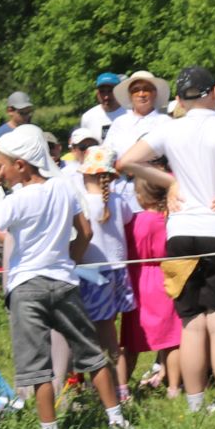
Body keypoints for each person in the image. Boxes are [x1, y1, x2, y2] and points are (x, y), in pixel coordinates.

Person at [0, 125, 133, 429]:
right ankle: (117, 420)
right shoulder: (65, 189)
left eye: (0, 165)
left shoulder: (15, 201)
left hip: (26, 287)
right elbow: (85, 232)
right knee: (92, 355)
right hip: (64, 282)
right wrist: (70, 260)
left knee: (38, 367)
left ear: (21, 165)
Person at [116, 66, 215, 415]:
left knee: (192, 323)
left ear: (180, 99)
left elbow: (126, 161)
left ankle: (195, 403)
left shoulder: (168, 129)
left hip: (180, 235)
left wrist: (168, 182)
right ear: (214, 91)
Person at [75, 146, 137, 404]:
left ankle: (100, 389)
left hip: (91, 274)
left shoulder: (81, 203)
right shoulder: (120, 202)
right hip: (118, 272)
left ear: (86, 174)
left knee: (88, 337)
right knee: (111, 336)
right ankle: (122, 389)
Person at [122, 174, 183, 397]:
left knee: (130, 339)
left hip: (138, 281)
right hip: (166, 279)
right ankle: (174, 387)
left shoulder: (134, 222)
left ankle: (122, 386)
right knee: (172, 339)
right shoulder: (171, 219)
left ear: (141, 196)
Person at [104, 70, 173, 155]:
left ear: (154, 93)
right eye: (136, 90)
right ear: (130, 95)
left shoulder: (166, 122)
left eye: (146, 89)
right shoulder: (119, 123)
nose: (141, 94)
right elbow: (106, 152)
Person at [79, 73, 127, 141]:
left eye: (110, 91)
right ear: (97, 93)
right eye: (102, 91)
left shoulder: (130, 113)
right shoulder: (88, 117)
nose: (106, 96)